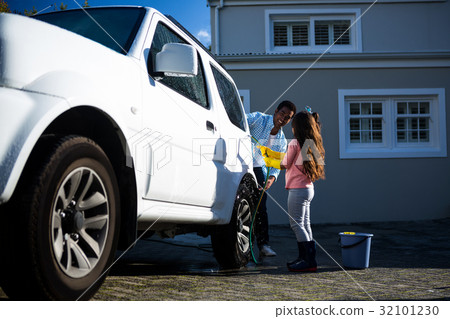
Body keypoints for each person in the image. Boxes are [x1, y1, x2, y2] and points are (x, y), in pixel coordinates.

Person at [262, 108, 325, 272]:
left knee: (296, 224)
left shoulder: (295, 143)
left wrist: (266, 156)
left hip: (297, 190)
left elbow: (284, 164)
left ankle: (308, 261)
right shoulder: (312, 142)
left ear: (297, 127)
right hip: (308, 189)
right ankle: (306, 258)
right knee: (304, 224)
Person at [246, 100, 296, 257]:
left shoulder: (281, 141)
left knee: (261, 206)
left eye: (287, 118)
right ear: (276, 111)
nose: (283, 119)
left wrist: (271, 179)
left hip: (258, 169)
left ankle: (263, 245)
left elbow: (277, 165)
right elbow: (240, 121)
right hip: (241, 164)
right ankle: (242, 244)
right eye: (282, 114)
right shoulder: (258, 118)